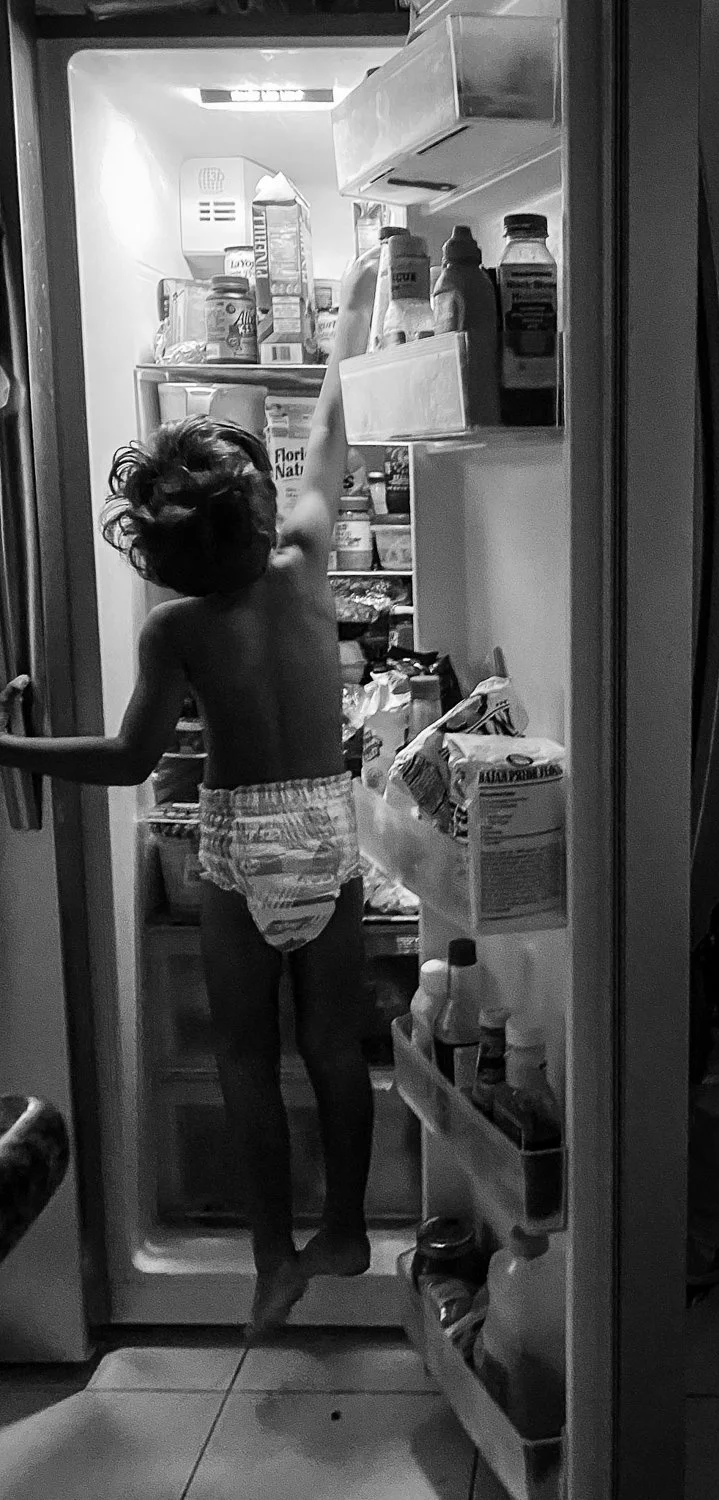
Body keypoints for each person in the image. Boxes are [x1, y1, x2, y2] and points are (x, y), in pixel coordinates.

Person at [0, 247, 385, 1340]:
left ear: (161, 555)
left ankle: (272, 1258)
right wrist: (353, 302)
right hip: (324, 827)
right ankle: (348, 1226)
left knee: (243, 1057)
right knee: (333, 1044)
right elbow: (327, 435)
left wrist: (12, 749)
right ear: (262, 516)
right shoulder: (309, 562)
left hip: (235, 842)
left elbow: (128, 762)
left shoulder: (177, 627)